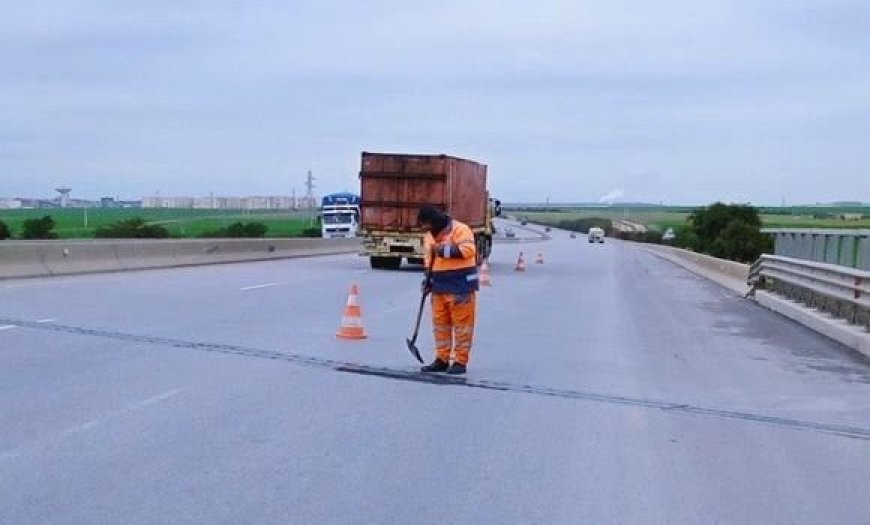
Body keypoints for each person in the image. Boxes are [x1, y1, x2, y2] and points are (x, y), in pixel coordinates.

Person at [417, 204, 479, 375]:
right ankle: (442, 359)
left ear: (433, 220)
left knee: (462, 326)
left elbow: (469, 250)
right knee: (440, 326)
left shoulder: (460, 229)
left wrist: (442, 250)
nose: (424, 228)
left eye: (425, 224)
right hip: (439, 286)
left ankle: (460, 361)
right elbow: (428, 259)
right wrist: (427, 280)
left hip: (461, 285)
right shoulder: (429, 236)